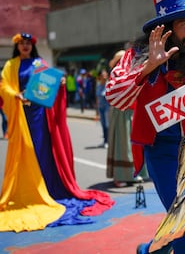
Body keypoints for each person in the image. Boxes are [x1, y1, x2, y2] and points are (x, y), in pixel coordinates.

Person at [105, 0, 185, 253]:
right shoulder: (136, 55)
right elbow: (114, 97)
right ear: (167, 28)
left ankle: (151, 249)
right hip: (161, 152)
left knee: (181, 218)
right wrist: (148, 67)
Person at [0, 33, 114, 232]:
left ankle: (49, 190)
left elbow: (48, 84)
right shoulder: (11, 65)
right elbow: (3, 87)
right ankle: (30, 192)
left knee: (42, 152)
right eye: (22, 44)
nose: (25, 46)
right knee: (26, 153)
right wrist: (15, 95)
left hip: (39, 116)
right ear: (17, 46)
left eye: (28, 43)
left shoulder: (39, 62)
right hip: (21, 116)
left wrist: (59, 85)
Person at [106, 49, 149, 187]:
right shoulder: (115, 76)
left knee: (134, 144)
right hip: (121, 112)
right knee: (122, 144)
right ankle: (120, 176)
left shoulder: (131, 73)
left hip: (132, 111)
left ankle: (134, 173)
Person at [95, 69, 110, 148]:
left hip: (107, 108)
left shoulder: (109, 85)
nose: (104, 76)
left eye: (105, 74)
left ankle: (108, 141)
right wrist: (97, 111)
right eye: (103, 75)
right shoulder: (98, 86)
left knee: (107, 125)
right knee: (103, 125)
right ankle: (105, 140)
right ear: (99, 76)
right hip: (101, 108)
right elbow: (97, 99)